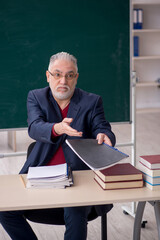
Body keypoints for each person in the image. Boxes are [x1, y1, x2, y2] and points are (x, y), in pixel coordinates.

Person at [0, 52, 116, 240]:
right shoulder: (36, 97)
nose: (63, 81)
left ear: (76, 78)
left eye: (69, 75)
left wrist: (105, 135)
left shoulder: (91, 101)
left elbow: (102, 127)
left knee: (75, 212)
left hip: (78, 180)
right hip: (41, 177)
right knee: (5, 211)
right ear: (48, 76)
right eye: (57, 74)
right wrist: (57, 128)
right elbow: (34, 127)